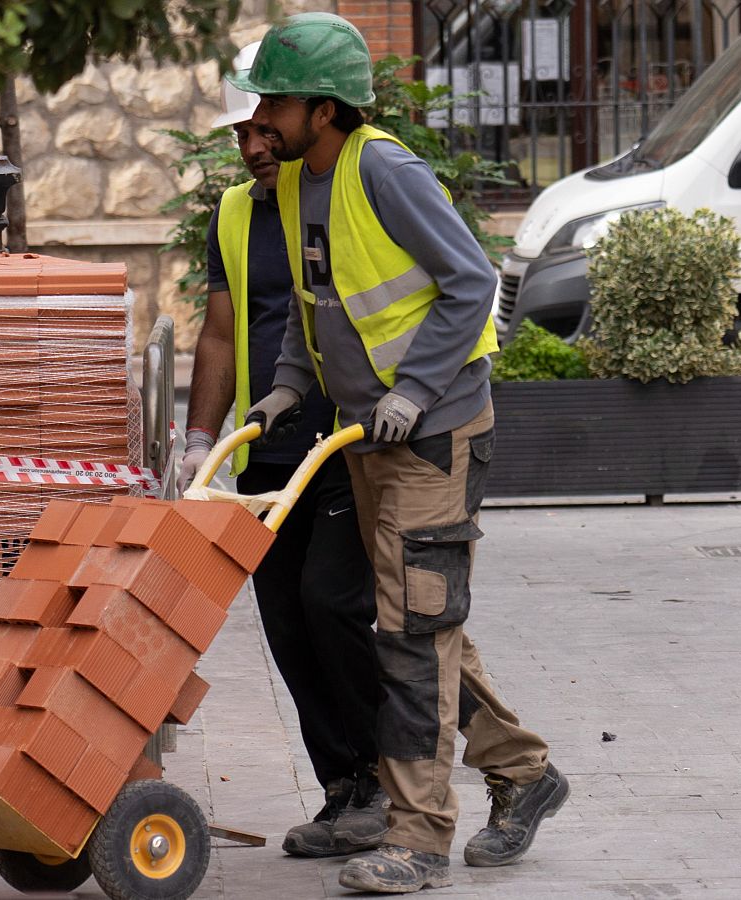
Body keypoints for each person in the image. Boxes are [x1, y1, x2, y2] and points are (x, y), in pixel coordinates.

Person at [230, 13, 569, 893]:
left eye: (278, 99)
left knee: (412, 635)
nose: (262, 115)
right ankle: (527, 774)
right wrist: (288, 386)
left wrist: (413, 388)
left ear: (325, 106)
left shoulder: (383, 168)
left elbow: (471, 279)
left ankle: (418, 836)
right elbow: (321, 299)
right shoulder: (308, 180)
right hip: (362, 437)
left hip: (434, 432)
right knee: (421, 619)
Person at [179, 41, 386, 860]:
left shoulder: (340, 193)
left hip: (347, 440)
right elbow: (223, 330)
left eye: (267, 127)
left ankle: (385, 779)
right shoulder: (235, 213)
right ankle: (340, 787)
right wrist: (198, 439)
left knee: (335, 603)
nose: (257, 145)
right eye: (243, 132)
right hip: (268, 453)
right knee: (288, 622)